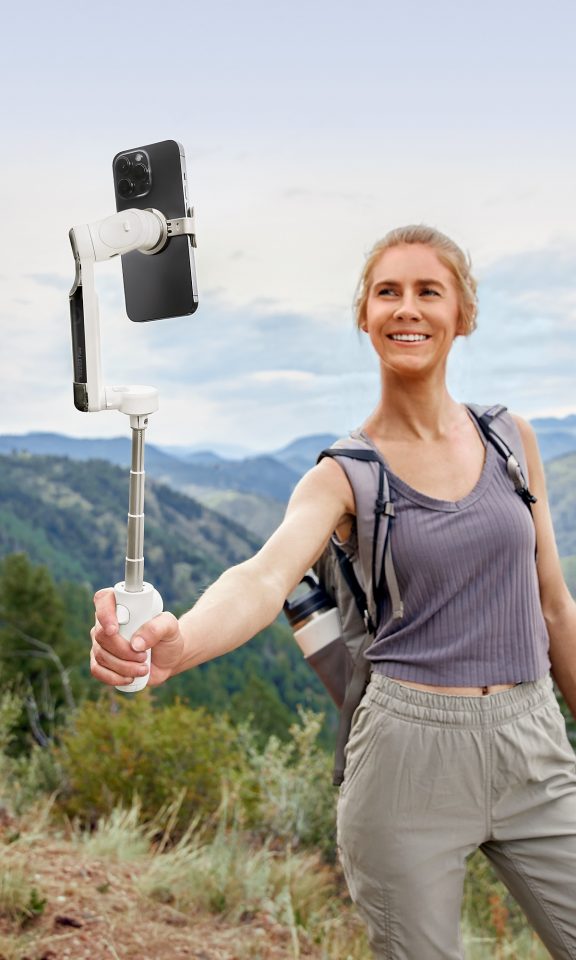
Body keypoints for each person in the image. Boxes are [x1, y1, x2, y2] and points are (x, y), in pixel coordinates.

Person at [91, 225, 576, 959]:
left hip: (534, 740)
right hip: (407, 763)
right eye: (388, 292)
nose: (406, 308)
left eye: (427, 291)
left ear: (463, 316)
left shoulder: (512, 439)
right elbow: (263, 575)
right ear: (364, 315)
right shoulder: (344, 474)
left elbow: (555, 608)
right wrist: (180, 641)